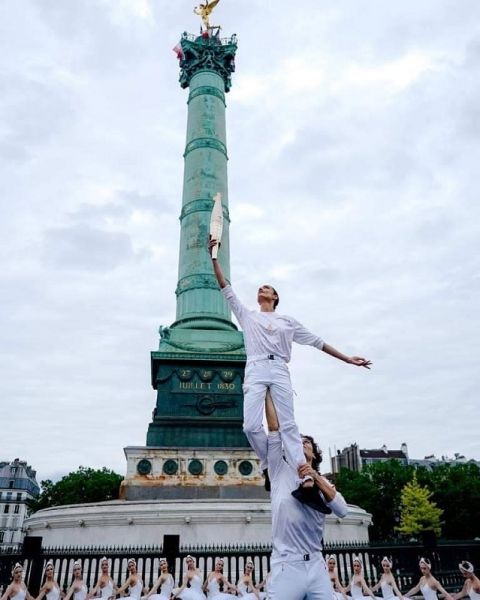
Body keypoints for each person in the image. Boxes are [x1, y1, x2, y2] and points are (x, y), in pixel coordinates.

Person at [209, 239, 371, 509]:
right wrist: (214, 256)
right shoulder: (248, 316)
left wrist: (347, 359)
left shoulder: (288, 321)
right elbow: (226, 288)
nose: (262, 289)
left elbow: (317, 342)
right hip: (256, 367)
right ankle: (268, 463)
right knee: (250, 425)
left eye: (268, 288)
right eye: (261, 287)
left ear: (275, 297)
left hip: (280, 368)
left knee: (289, 425)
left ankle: (303, 474)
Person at [264, 390, 349, 600]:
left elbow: (342, 511)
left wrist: (315, 477)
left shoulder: (323, 483)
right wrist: (267, 390)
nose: (301, 444)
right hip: (287, 564)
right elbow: (274, 430)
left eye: (306, 443)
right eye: (297, 441)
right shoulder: (279, 471)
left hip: (316, 565)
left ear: (314, 454)